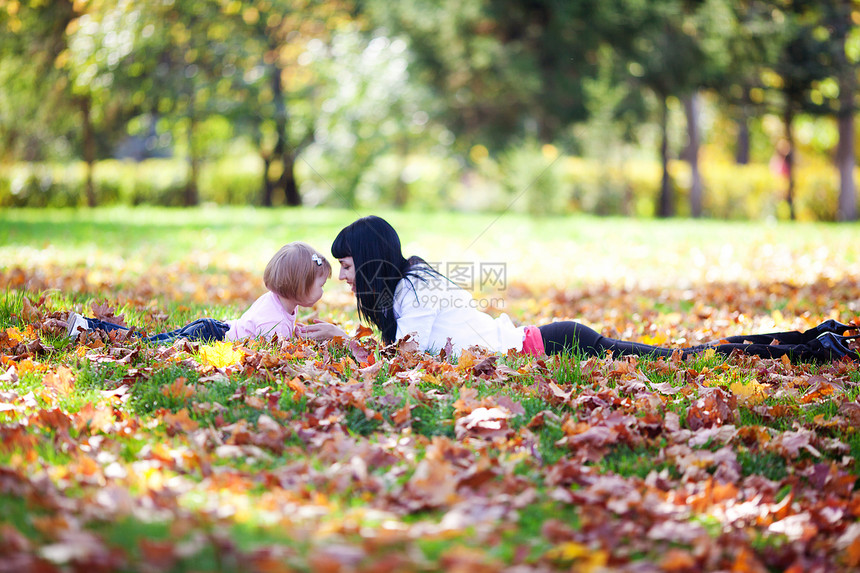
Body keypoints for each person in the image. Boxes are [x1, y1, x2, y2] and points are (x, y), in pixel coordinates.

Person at [299, 216, 859, 363]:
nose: (344, 277)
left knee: (683, 357)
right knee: (682, 354)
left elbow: (409, 359)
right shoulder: (409, 284)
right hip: (547, 339)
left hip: (556, 344)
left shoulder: (412, 291)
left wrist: (342, 340)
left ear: (368, 261)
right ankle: (813, 338)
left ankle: (811, 346)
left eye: (346, 266)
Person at [66, 242, 332, 344]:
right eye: (320, 284)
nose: (322, 290)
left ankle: (85, 325)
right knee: (151, 346)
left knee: (153, 340)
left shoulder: (278, 303)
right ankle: (89, 330)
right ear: (299, 287)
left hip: (213, 328)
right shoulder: (274, 321)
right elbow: (272, 352)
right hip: (209, 336)